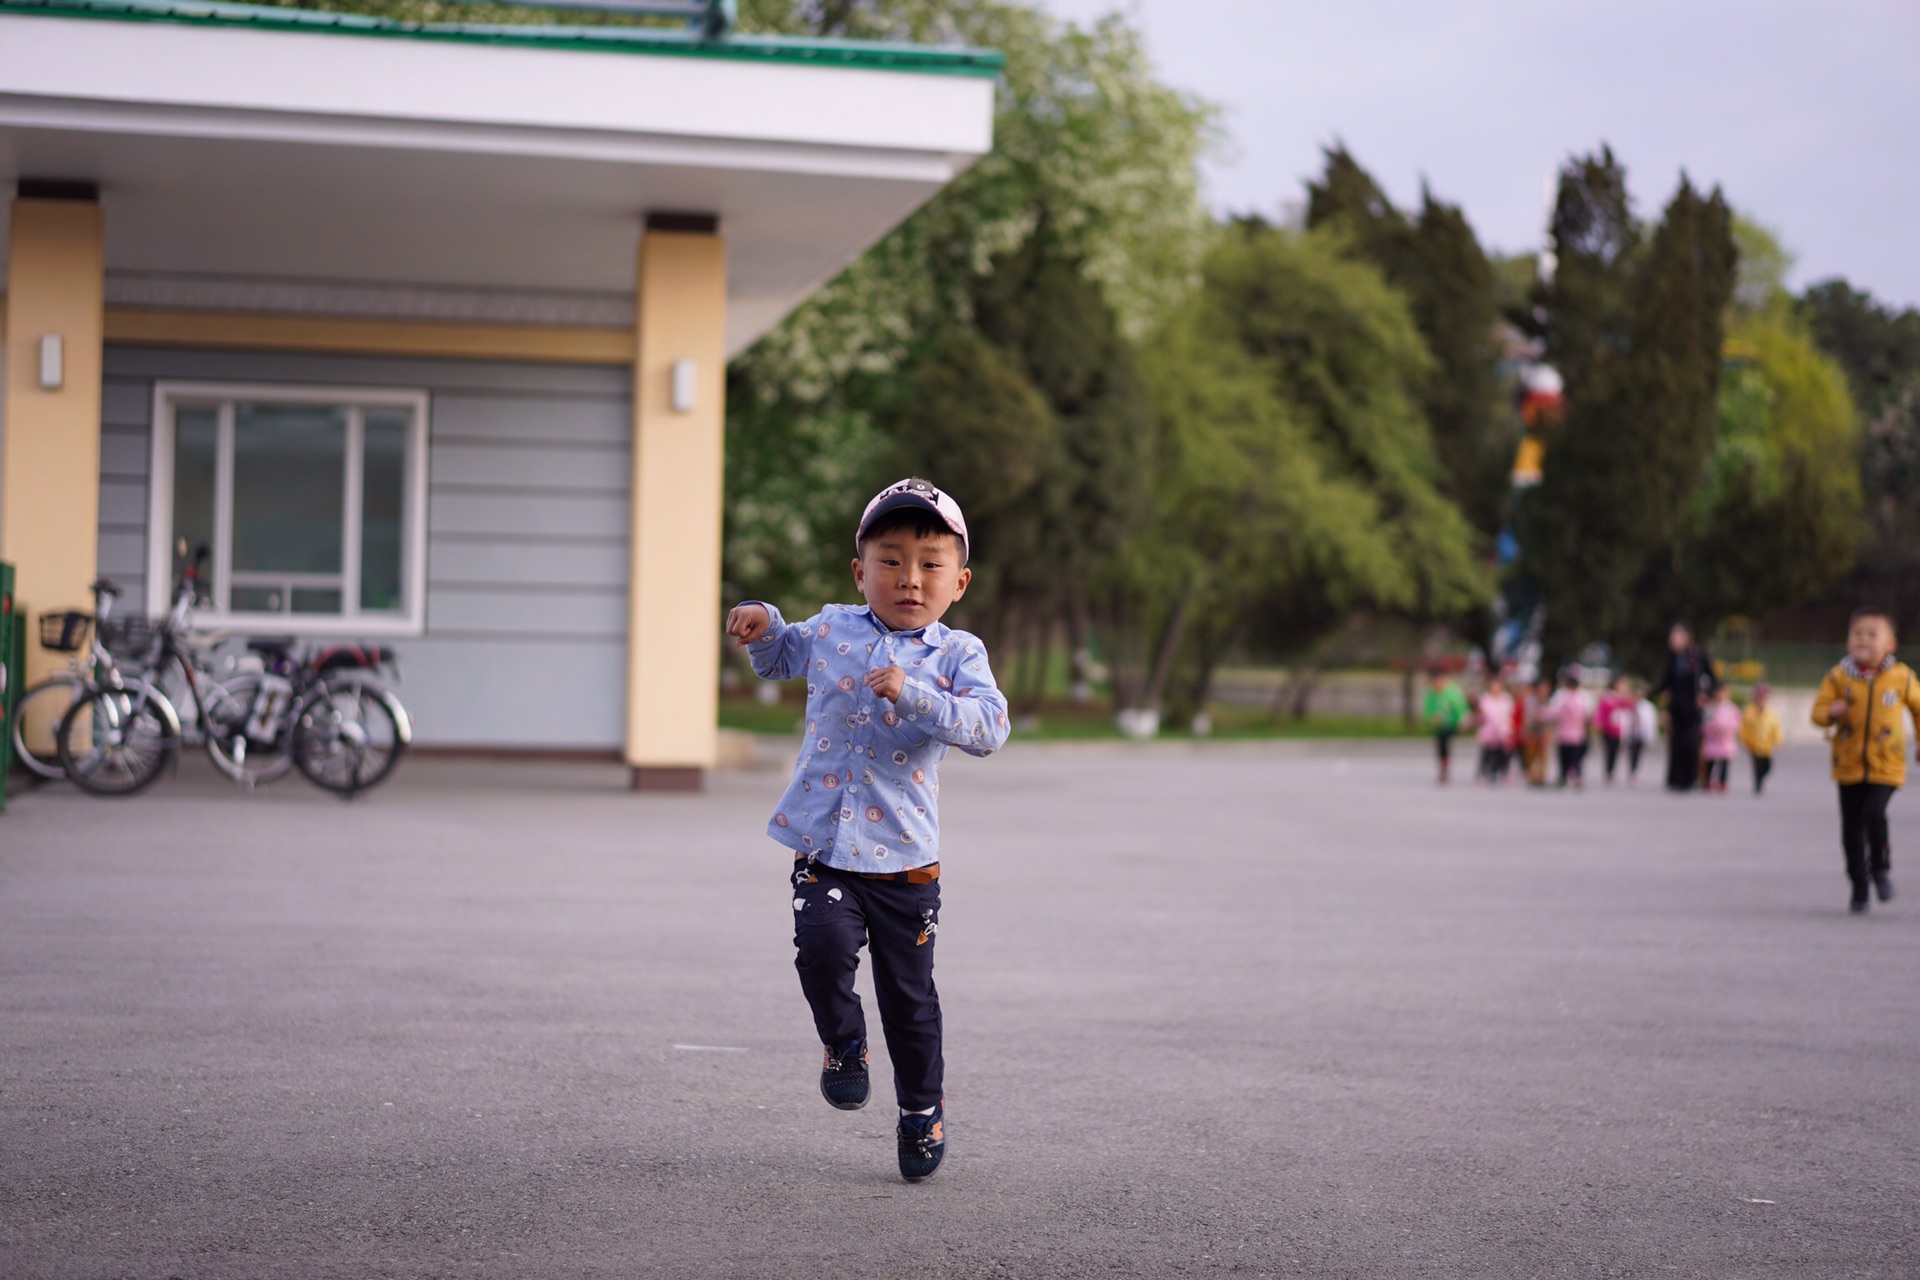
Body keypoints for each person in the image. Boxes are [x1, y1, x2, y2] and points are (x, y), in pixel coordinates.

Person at [725, 477, 1009, 1180]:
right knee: (820, 952)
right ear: (861, 571)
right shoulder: (833, 628)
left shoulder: (956, 655)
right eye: (890, 560)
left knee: (910, 1002)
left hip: (907, 868)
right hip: (823, 848)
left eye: (930, 563)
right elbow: (783, 651)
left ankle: (921, 1113)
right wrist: (763, 619)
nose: (909, 578)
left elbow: (989, 728)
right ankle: (843, 1044)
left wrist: (913, 694)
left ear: (959, 581)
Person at [1810, 607, 1920, 914]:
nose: (1863, 640)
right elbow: (1817, 713)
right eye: (1857, 633)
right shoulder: (1837, 677)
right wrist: (1830, 713)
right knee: (1851, 829)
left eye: (1873, 635)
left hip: (1887, 764)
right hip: (1848, 765)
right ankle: (1858, 885)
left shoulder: (1902, 677)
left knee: (1874, 813)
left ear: (1890, 644)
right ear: (1847, 641)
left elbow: (1919, 708)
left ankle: (1881, 869)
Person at [1651, 622, 1718, 792]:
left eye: (1677, 636)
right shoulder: (1672, 657)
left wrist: (1706, 694)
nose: (1673, 640)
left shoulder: (1699, 656)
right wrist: (1647, 693)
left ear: (1687, 638)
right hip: (1676, 707)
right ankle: (1676, 780)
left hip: (1693, 708)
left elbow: (1713, 681)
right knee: (1676, 743)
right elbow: (1666, 683)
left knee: (1690, 742)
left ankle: (1691, 778)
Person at [1424, 668, 1470, 785]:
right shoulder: (1431, 693)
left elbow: (1460, 707)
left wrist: (1462, 721)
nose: (1438, 684)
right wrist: (1431, 718)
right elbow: (1428, 710)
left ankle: (1445, 769)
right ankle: (1443, 768)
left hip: (1451, 723)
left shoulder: (1452, 692)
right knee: (1440, 747)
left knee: (1445, 742)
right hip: (1439, 725)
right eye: (1435, 682)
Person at [1547, 672, 1593, 789]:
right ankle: (1571, 776)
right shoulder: (1577, 697)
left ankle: (1568, 776)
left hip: (1570, 733)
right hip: (1572, 733)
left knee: (1570, 758)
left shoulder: (1565, 696)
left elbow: (1554, 713)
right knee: (1572, 758)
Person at [1740, 682, 1784, 795]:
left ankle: (1760, 779)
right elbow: (1744, 728)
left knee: (1767, 766)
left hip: (1766, 745)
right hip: (1753, 744)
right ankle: (1757, 783)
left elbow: (1776, 728)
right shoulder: (1749, 712)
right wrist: (1744, 740)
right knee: (1757, 766)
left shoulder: (1771, 713)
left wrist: (1778, 739)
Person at [1595, 674, 1635, 785]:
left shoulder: (1623, 698)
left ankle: (1612, 771)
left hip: (1619, 730)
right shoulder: (1608, 697)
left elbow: (1631, 706)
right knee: (1609, 751)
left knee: (1616, 751)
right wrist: (1598, 723)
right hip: (1608, 729)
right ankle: (1608, 771)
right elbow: (1602, 711)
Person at [1699, 685, 1741, 793]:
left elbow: (1736, 723)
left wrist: (1726, 729)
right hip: (1712, 740)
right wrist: (1712, 729)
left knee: (1724, 764)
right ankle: (1708, 781)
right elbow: (1705, 724)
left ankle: (1722, 782)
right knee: (1711, 762)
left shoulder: (1731, 708)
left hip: (1725, 741)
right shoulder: (1710, 708)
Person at [1475, 676, 1515, 784]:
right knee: (1487, 753)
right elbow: (1482, 716)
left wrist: (1509, 729)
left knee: (1504, 753)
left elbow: (1509, 715)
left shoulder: (1506, 699)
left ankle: (1504, 772)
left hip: (1503, 730)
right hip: (1489, 729)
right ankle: (1483, 773)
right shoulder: (1486, 699)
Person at [1521, 677, 1554, 787]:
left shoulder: (1548, 701)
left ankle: (1541, 776)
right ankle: (1532, 776)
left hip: (1543, 732)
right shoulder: (1531, 700)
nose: (1545, 690)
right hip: (1532, 732)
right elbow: (1529, 717)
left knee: (1543, 757)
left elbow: (1551, 718)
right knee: (1531, 757)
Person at [1628, 691, 1659, 785]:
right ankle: (1632, 770)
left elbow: (1650, 723)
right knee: (1632, 753)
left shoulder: (1647, 707)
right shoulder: (1630, 705)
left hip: (1641, 735)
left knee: (1638, 753)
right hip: (1632, 734)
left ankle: (1636, 770)